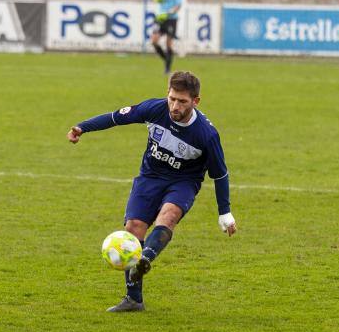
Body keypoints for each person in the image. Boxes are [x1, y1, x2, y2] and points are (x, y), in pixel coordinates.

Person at [67, 71, 237, 313]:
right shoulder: (155, 109)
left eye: (182, 101)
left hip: (183, 181)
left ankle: (144, 258)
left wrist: (225, 213)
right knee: (133, 228)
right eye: (172, 98)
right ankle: (134, 300)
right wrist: (82, 128)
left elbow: (220, 174)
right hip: (150, 177)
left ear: (196, 101)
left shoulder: (206, 134)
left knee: (168, 216)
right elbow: (116, 118)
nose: (175, 106)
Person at [150, 0, 183, 74]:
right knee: (154, 41)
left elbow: (178, 4)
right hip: (160, 18)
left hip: (171, 19)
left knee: (169, 43)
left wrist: (169, 12)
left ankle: (167, 69)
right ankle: (166, 58)